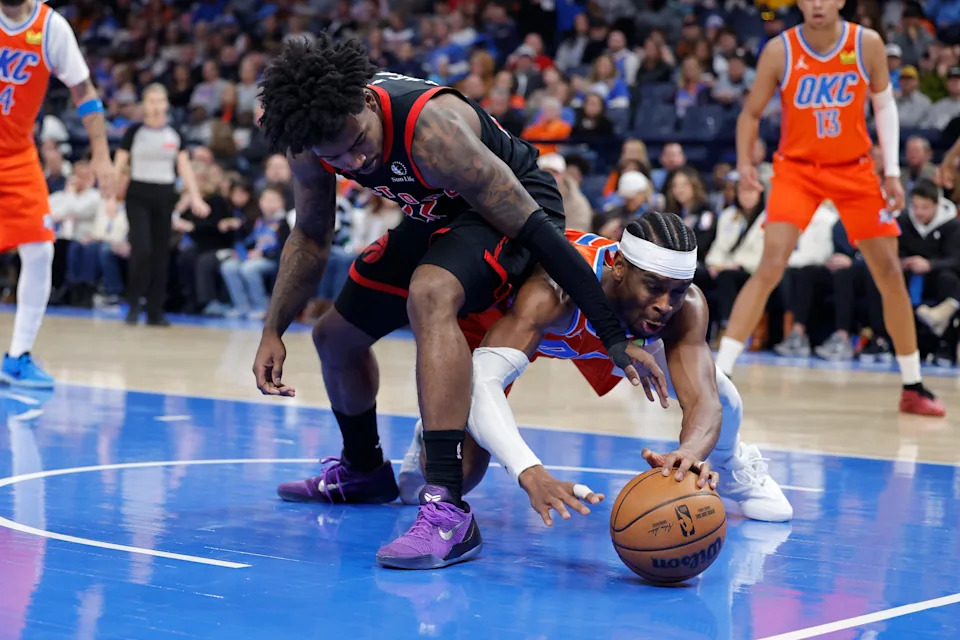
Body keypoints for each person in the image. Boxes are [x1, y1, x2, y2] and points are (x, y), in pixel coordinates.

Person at [255, 36, 652, 571]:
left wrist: (611, 333)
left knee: (431, 290)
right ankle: (365, 470)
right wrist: (272, 328)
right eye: (338, 157)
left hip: (515, 210)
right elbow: (310, 236)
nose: (355, 160)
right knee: (333, 337)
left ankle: (447, 509)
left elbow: (535, 229)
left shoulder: (435, 129)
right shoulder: (309, 137)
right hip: (434, 215)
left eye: (357, 142)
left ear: (368, 104)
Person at [388, 213, 793, 526]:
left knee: (721, 390)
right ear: (618, 266)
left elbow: (705, 400)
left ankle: (732, 463)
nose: (666, 305)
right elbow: (482, 380)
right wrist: (531, 472)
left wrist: (687, 455)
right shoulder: (552, 292)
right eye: (653, 287)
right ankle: (434, 425)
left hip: (618, 338)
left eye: (677, 290)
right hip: (502, 324)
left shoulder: (684, 306)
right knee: (459, 474)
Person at [715, 0, 945, 416]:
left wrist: (891, 170)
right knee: (770, 265)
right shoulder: (779, 50)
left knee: (890, 272)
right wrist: (746, 164)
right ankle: (719, 376)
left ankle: (913, 385)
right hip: (797, 169)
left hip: (854, 169)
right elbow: (750, 114)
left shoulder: (866, 43)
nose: (818, 3)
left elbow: (885, 104)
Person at [0, 0, 116, 387]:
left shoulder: (51, 28)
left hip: (16, 156)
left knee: (40, 248)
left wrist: (101, 152)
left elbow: (83, 88)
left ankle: (17, 357)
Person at [113, 84, 209, 327]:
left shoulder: (175, 134)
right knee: (141, 250)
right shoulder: (133, 132)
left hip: (165, 195)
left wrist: (195, 197)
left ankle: (155, 310)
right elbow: (119, 165)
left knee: (160, 254)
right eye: (151, 100)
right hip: (137, 194)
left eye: (160, 100)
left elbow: (184, 167)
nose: (156, 105)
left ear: (166, 104)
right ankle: (133, 304)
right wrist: (111, 197)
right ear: (144, 104)